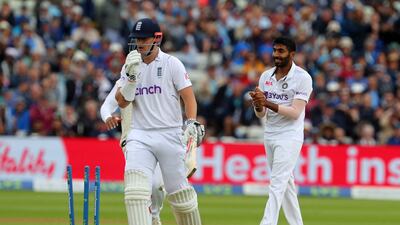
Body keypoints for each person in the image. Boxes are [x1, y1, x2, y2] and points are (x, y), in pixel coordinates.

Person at [115, 18, 204, 225]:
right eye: (136, 39)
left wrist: (191, 122)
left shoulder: (171, 63)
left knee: (181, 197)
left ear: (157, 39)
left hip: (170, 133)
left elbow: (189, 97)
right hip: (140, 134)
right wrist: (130, 78)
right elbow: (122, 101)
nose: (139, 44)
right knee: (135, 193)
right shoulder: (130, 65)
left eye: (144, 39)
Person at [249, 36, 313, 225]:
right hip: (270, 134)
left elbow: (294, 113)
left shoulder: (303, 78)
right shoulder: (265, 76)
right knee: (286, 184)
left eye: (281, 51)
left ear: (292, 54)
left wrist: (267, 102)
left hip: (289, 136)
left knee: (277, 183)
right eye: (275, 50)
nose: (276, 55)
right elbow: (261, 115)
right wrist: (258, 104)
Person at [100, 83, 165, 225]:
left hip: (158, 137)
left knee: (156, 185)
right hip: (132, 140)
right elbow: (106, 107)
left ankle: (154, 215)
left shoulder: (157, 76)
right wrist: (107, 118)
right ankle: (147, 219)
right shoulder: (123, 81)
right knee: (140, 186)